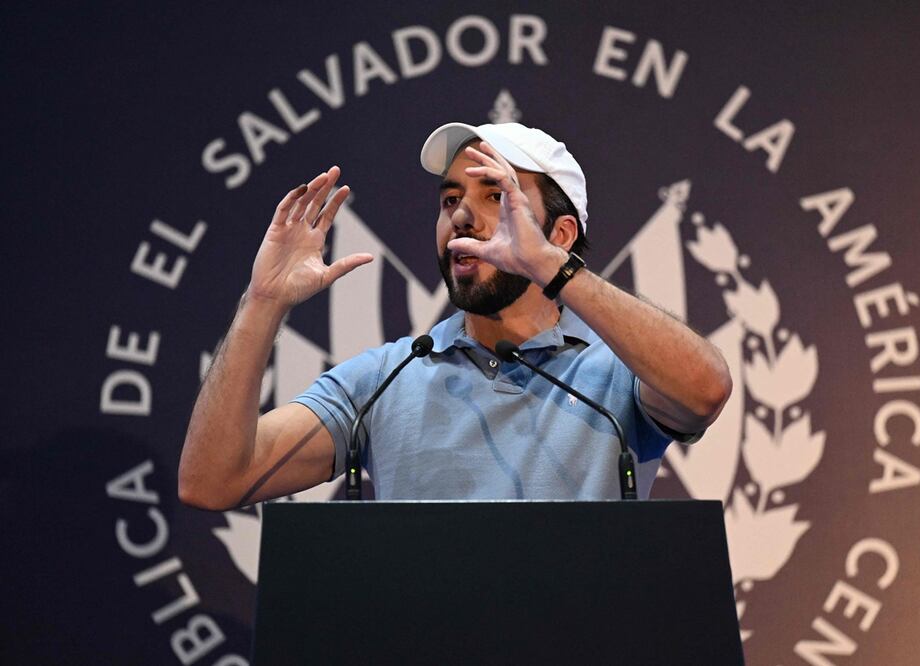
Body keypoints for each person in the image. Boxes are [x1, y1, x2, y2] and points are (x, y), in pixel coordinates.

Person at [178, 122, 732, 509]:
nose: (462, 214)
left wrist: (551, 267)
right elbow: (214, 482)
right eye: (450, 200)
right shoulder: (385, 379)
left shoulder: (615, 374)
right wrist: (263, 301)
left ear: (560, 235)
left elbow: (705, 390)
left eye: (496, 195)